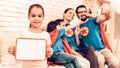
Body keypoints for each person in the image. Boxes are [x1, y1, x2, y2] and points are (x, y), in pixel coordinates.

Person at [75, 3, 119, 68]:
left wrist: (107, 11)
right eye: (80, 12)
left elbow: (107, 17)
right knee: (100, 59)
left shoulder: (93, 20)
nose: (83, 13)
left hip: (102, 49)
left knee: (115, 63)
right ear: (77, 14)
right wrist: (76, 35)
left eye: (84, 11)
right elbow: (78, 44)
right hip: (93, 52)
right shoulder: (77, 26)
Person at [8, 4, 53, 68]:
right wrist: (12, 51)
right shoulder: (23, 34)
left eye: (39, 16)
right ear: (28, 17)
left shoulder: (46, 35)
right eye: (33, 16)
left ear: (43, 18)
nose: (36, 19)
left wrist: (49, 52)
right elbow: (18, 53)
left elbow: (48, 53)